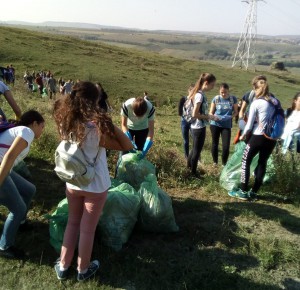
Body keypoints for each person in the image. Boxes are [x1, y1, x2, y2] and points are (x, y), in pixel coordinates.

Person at [53, 81, 133, 282]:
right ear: (93, 101)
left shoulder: (65, 121)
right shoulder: (96, 128)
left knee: (72, 222)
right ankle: (83, 269)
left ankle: (63, 266)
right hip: (95, 185)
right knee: (87, 229)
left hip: (73, 181)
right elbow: (127, 145)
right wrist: (106, 122)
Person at [0, 110, 45, 259]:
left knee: (29, 189)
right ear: (34, 123)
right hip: (1, 169)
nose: (42, 131)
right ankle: (4, 246)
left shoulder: (22, 132)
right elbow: (10, 156)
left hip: (4, 168)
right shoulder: (27, 131)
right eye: (42, 127)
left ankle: (21, 223)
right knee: (18, 208)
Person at [229, 77, 281, 200]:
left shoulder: (257, 103)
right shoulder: (275, 101)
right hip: (271, 139)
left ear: (258, 89)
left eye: (255, 88)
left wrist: (243, 135)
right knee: (262, 163)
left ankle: (242, 191)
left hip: (258, 136)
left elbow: (249, 124)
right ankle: (254, 192)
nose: (254, 91)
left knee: (245, 161)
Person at [187, 73, 218, 177]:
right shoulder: (199, 95)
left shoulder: (197, 93)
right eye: (212, 85)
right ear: (206, 83)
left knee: (194, 149)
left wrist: (210, 116)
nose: (213, 87)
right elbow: (195, 114)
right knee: (197, 150)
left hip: (195, 126)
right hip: (198, 127)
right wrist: (209, 117)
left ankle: (189, 168)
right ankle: (193, 173)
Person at [209, 83, 238, 166]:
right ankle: (215, 162)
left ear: (228, 91)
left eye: (225, 92)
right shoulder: (216, 99)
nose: (224, 94)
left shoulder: (233, 99)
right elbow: (211, 112)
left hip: (226, 125)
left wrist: (230, 117)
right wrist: (214, 117)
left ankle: (224, 164)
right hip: (215, 124)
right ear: (219, 91)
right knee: (215, 143)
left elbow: (236, 112)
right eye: (222, 92)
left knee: (226, 146)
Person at [178, 84, 194, 159]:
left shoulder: (196, 100)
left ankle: (195, 156)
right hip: (184, 121)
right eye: (191, 91)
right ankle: (186, 156)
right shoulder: (184, 99)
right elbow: (179, 109)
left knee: (194, 140)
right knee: (186, 140)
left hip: (193, 122)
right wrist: (181, 115)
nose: (193, 93)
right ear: (189, 91)